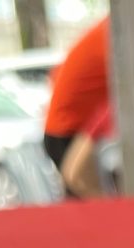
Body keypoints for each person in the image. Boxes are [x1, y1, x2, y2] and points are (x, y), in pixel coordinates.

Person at [44, 17, 110, 177]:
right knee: (87, 190)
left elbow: (54, 75)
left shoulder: (105, 29)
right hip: (68, 131)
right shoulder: (118, 33)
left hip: (63, 129)